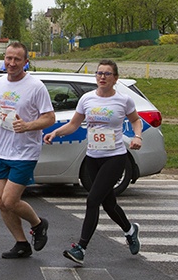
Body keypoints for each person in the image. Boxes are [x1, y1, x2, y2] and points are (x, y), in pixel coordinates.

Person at [43, 59, 142, 265]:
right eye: (99, 73)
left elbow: (135, 120)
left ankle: (81, 248)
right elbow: (74, 124)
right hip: (92, 158)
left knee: (93, 200)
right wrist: (55, 133)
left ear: (115, 78)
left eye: (107, 74)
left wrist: (137, 136)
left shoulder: (123, 101)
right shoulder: (87, 99)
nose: (102, 77)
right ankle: (130, 230)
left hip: (114, 158)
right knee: (109, 203)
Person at [0, 42, 55, 259]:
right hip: (3, 151)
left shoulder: (36, 87)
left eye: (17, 59)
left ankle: (38, 224)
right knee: (1, 202)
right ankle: (21, 243)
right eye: (9, 58)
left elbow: (49, 117)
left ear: (26, 62)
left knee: (10, 201)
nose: (12, 63)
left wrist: (27, 126)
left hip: (26, 152)